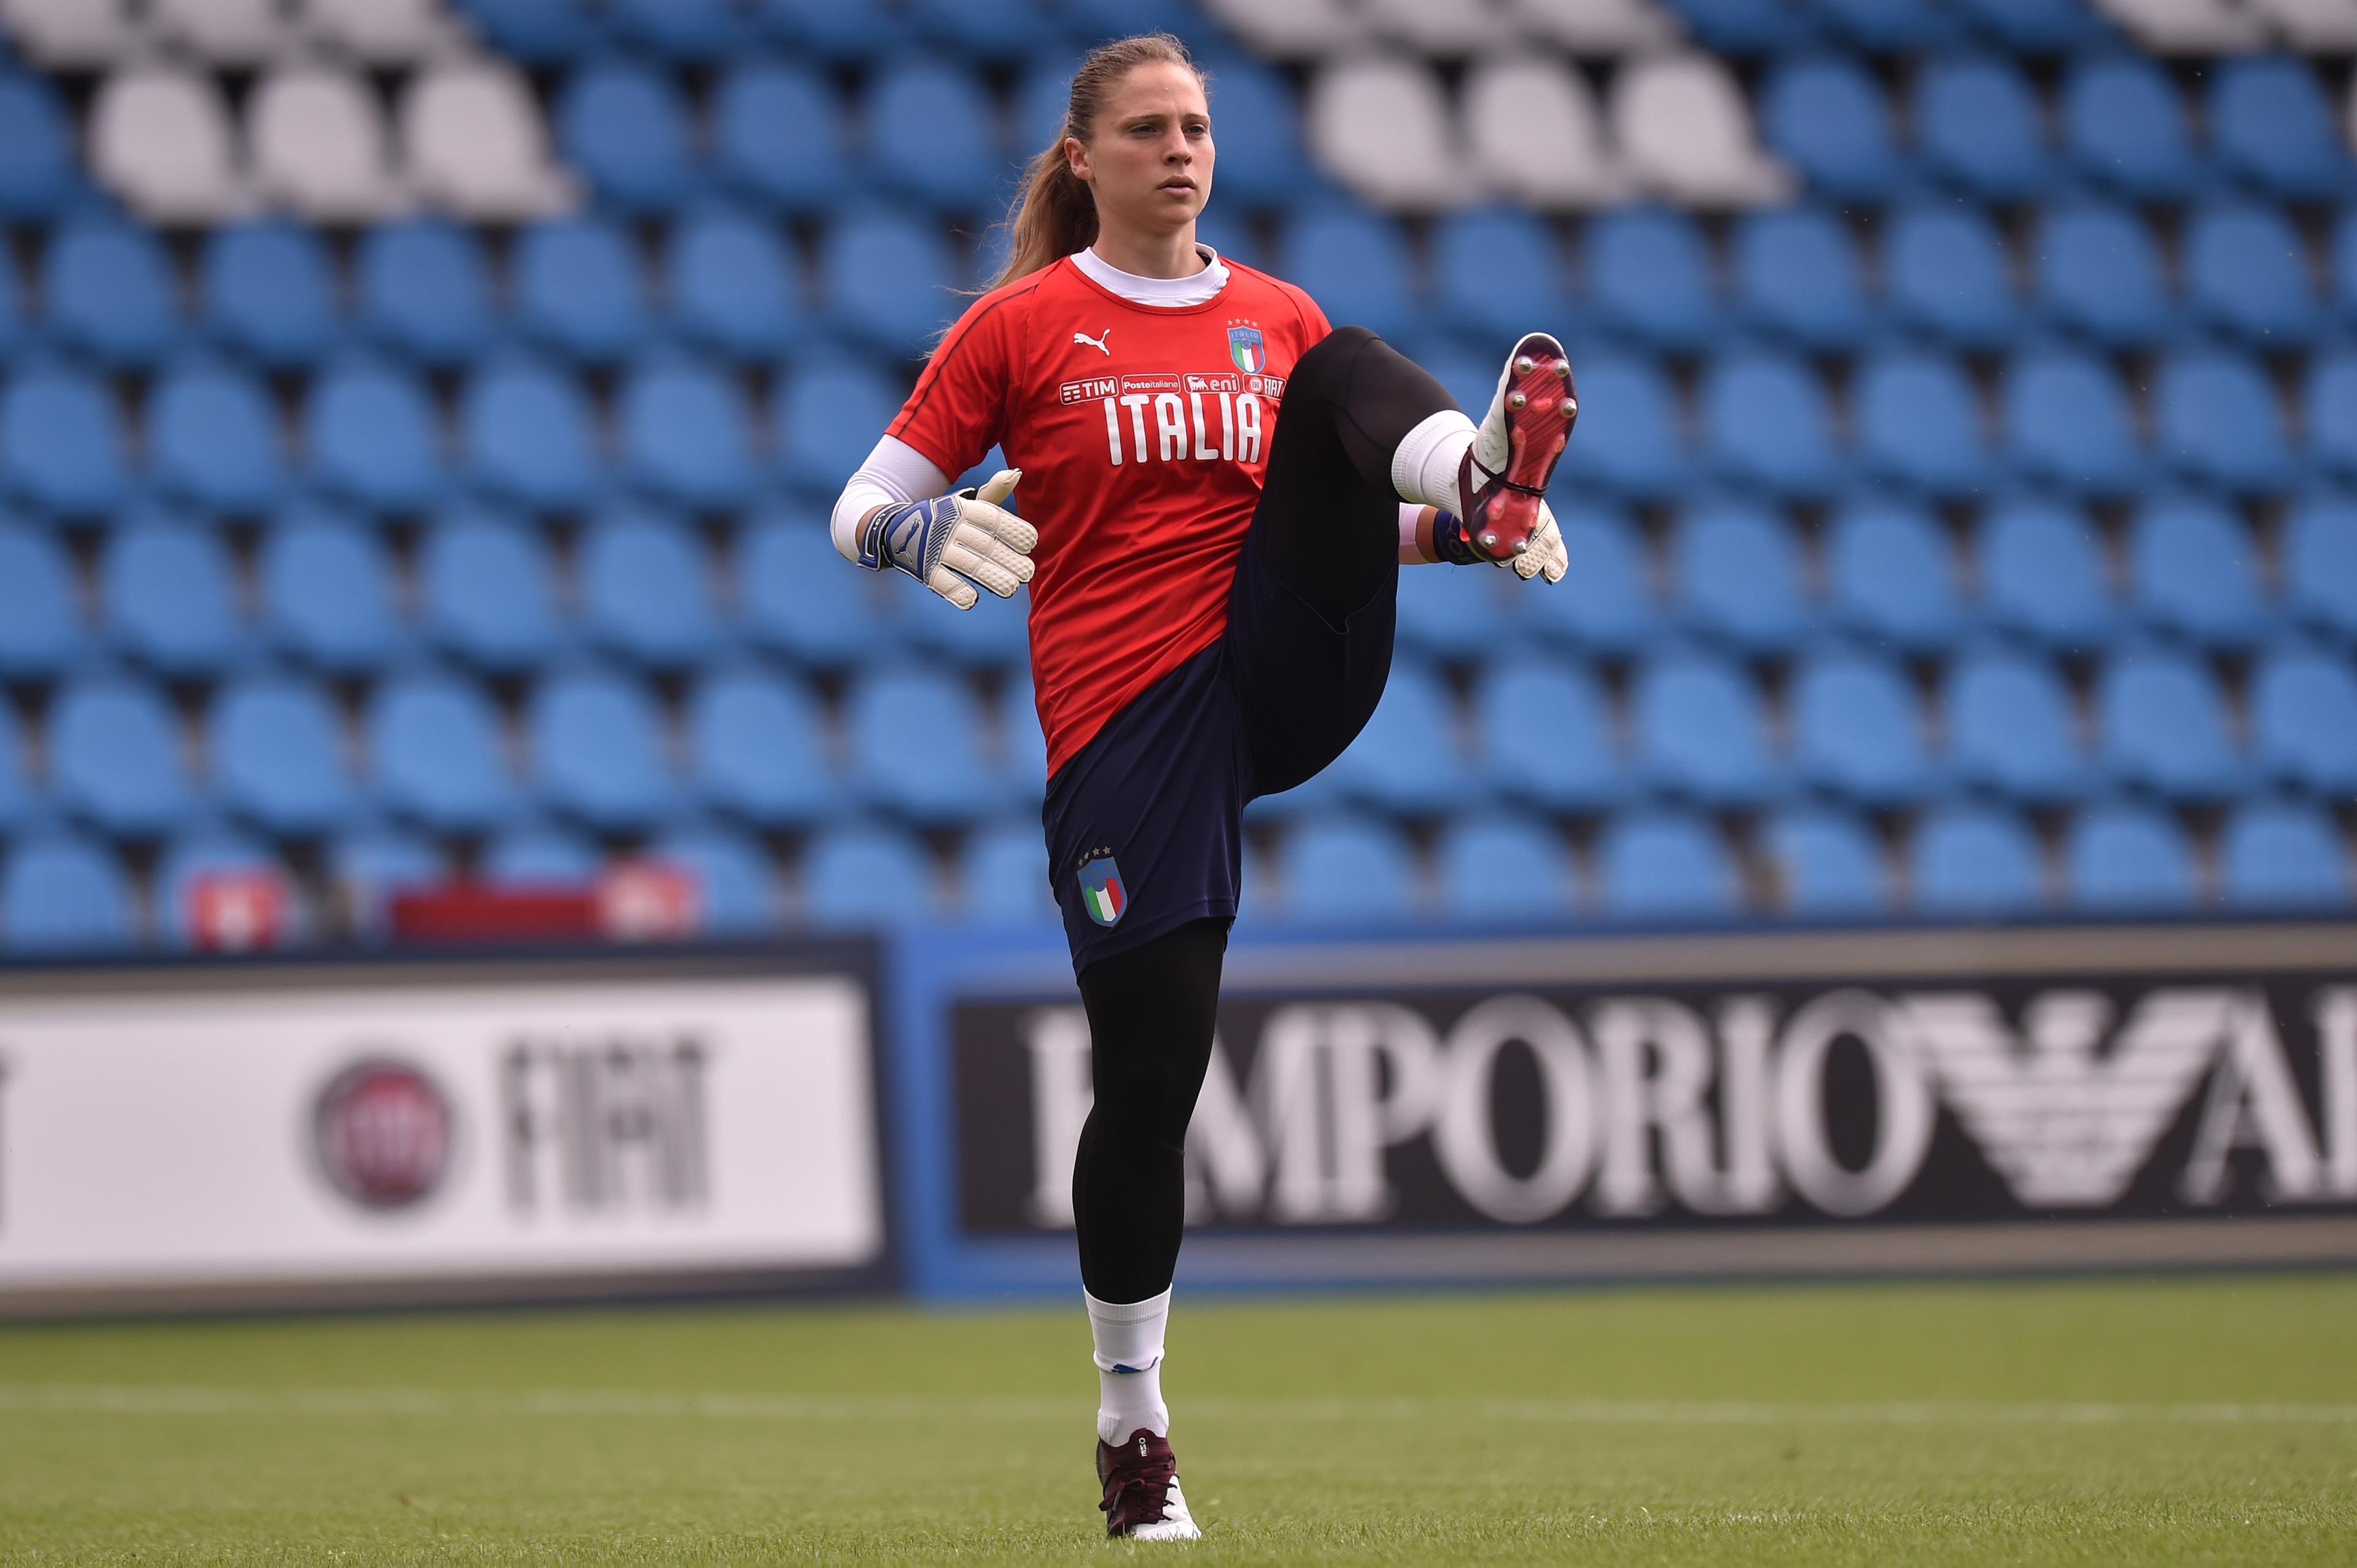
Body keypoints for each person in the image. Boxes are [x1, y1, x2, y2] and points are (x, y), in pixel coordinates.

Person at [830, 33, 1576, 1541]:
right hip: (1130, 729)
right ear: (1085, 160)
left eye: (1199, 127)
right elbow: (862, 499)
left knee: (1351, 363)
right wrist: (908, 540)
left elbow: (1328, 524)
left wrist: (1460, 532)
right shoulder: (1026, 328)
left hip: (1281, 673)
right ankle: (1133, 1426)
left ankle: (1482, 468)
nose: (1183, 149)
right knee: (1154, 1080)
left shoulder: (1272, 315)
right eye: (1151, 129)